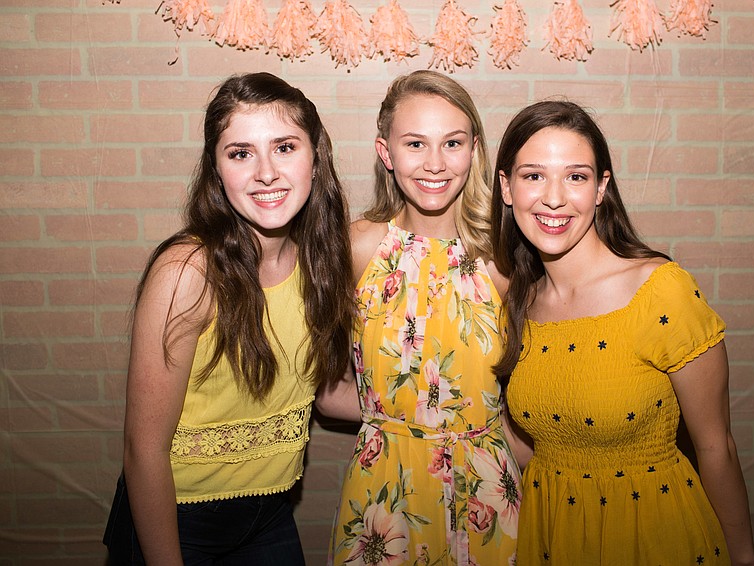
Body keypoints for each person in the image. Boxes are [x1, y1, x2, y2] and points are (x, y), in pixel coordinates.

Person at [491, 100, 754, 565]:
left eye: (576, 176)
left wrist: (744, 559)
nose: (554, 197)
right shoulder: (520, 304)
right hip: (554, 536)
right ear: (506, 188)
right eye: (533, 175)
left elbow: (716, 447)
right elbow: (535, 441)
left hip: (653, 536)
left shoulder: (661, 292)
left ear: (601, 189)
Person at [102, 72, 355, 565]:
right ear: (217, 170)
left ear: (315, 156)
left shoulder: (321, 260)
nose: (266, 172)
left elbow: (321, 391)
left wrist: (440, 414)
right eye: (240, 153)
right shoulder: (188, 272)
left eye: (284, 147)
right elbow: (143, 449)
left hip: (270, 513)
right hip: (175, 520)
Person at [321, 70, 522, 566]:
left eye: (452, 143)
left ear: (474, 149)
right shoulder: (356, 248)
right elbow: (325, 389)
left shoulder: (504, 261)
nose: (435, 163)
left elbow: (528, 394)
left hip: (488, 490)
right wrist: (398, 421)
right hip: (384, 486)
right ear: (386, 153)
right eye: (415, 143)